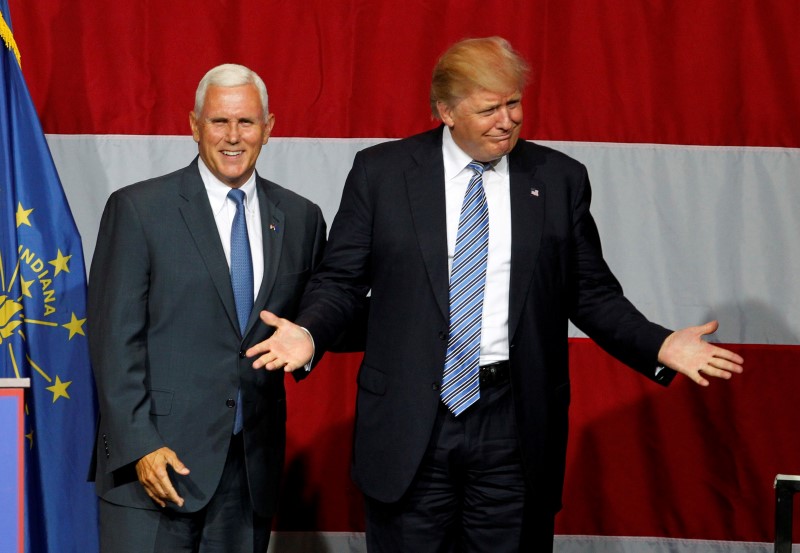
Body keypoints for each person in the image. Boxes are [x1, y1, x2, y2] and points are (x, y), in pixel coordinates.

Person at [246, 37, 744, 552]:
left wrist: (659, 344)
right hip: (412, 420)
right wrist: (309, 332)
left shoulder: (557, 179)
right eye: (488, 109)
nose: (506, 120)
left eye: (513, 103)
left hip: (513, 423)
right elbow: (341, 281)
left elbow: (591, 293)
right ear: (446, 111)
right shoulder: (383, 173)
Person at [88, 63, 326, 552]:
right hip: (152, 467)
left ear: (269, 127)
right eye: (219, 122)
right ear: (194, 126)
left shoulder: (301, 217)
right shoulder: (138, 209)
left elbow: (319, 315)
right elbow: (113, 341)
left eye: (247, 122)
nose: (233, 136)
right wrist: (140, 446)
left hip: (248, 473)